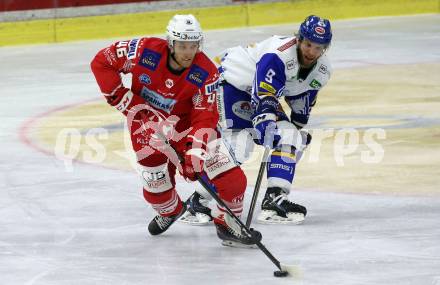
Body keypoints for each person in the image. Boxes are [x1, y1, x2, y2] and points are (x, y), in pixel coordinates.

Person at [90, 14, 260, 248]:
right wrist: (120, 97)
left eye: (193, 45)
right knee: (156, 190)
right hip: (145, 125)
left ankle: (227, 221)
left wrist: (194, 153)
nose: (188, 52)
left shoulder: (206, 72)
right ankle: (171, 211)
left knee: (232, 178)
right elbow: (102, 61)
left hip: (187, 127)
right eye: (182, 45)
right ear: (171, 43)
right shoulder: (143, 51)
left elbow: (205, 116)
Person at [186, 15, 332, 225]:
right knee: (240, 143)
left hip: (259, 94)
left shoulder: (323, 70)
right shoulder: (278, 54)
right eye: (308, 44)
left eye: (319, 48)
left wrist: (294, 136)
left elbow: (302, 98)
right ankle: (197, 201)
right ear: (299, 39)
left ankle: (274, 200)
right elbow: (263, 93)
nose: (312, 52)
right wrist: (264, 121)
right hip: (231, 83)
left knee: (291, 134)